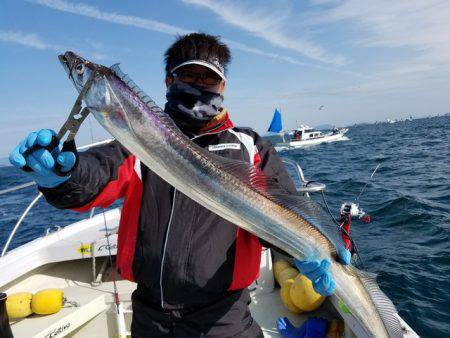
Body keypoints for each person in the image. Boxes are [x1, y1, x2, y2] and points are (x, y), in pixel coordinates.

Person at [9, 33, 350, 337]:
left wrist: (310, 245)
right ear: (169, 80)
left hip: (226, 320)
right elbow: (96, 174)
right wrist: (61, 176)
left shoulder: (251, 147)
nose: (199, 85)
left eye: (209, 78)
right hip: (150, 318)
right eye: (188, 75)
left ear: (223, 86)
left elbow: (282, 209)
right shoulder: (139, 140)